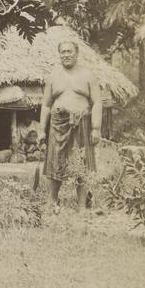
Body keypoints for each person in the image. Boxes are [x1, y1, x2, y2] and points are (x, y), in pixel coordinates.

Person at [39, 39, 102, 214]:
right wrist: (41, 130)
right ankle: (52, 202)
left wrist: (96, 128)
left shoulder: (88, 76)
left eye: (69, 51)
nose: (66, 55)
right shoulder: (53, 77)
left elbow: (97, 103)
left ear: (77, 53)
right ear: (59, 54)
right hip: (58, 123)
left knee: (82, 162)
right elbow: (46, 105)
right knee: (55, 162)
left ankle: (81, 205)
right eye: (63, 52)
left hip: (82, 123)